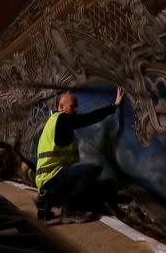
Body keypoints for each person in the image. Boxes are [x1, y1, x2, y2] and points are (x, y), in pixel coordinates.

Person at [35, 87, 125, 222]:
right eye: (73, 106)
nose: (76, 110)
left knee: (101, 186)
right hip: (52, 179)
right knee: (94, 168)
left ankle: (48, 200)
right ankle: (70, 210)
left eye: (77, 106)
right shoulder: (62, 119)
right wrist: (114, 106)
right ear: (61, 107)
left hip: (52, 180)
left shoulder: (55, 123)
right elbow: (88, 118)